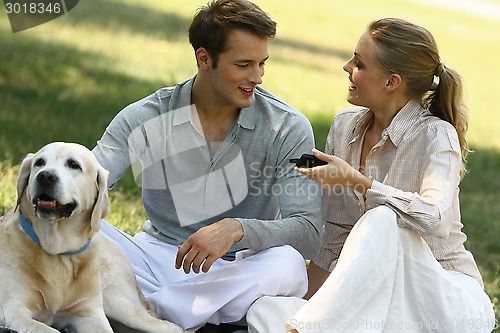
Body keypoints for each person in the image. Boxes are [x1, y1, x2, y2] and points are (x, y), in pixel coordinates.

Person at [246, 18, 496, 333]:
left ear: (391, 82)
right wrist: (307, 305)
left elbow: (434, 217)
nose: (347, 67)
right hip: (385, 304)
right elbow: (336, 235)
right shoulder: (344, 127)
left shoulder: (436, 135)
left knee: (381, 220)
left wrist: (358, 182)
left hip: (443, 303)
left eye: (359, 63)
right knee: (266, 309)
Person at [92, 0, 323, 332]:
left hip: (238, 267)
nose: (257, 77)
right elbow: (86, 183)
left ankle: (148, 310)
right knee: (81, 232)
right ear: (204, 58)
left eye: (262, 63)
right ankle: (187, 313)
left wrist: (236, 229)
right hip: (156, 257)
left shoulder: (287, 127)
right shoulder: (147, 116)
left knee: (287, 264)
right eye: (244, 64)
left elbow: (309, 233)